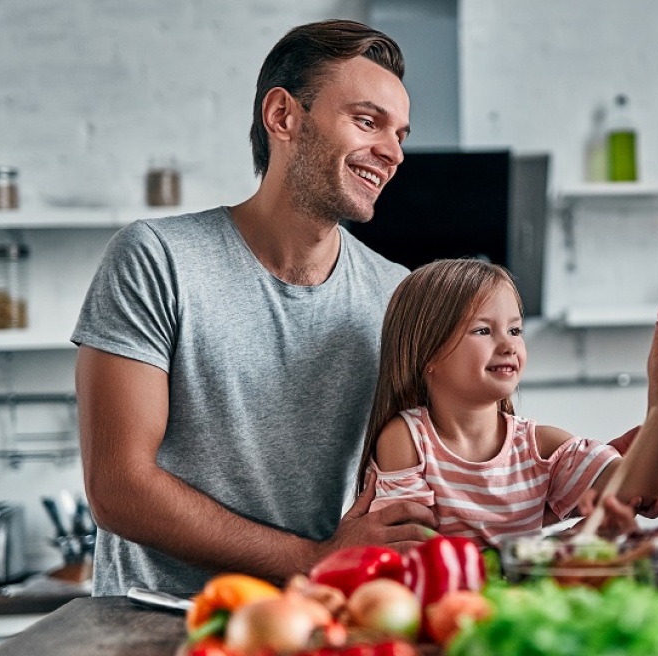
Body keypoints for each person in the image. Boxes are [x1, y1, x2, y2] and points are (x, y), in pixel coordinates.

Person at [72, 20, 439, 596]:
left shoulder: (397, 294)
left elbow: (454, 451)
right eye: (368, 122)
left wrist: (592, 472)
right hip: (160, 628)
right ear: (283, 116)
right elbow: (119, 488)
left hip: (314, 624)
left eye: (401, 134)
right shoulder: (158, 258)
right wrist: (313, 558)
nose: (392, 152)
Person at [355, 259, 658, 545]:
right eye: (483, 331)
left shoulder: (543, 447)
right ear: (428, 355)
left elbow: (639, 490)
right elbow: (414, 553)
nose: (508, 345)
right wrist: (560, 546)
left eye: (515, 330)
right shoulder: (406, 439)